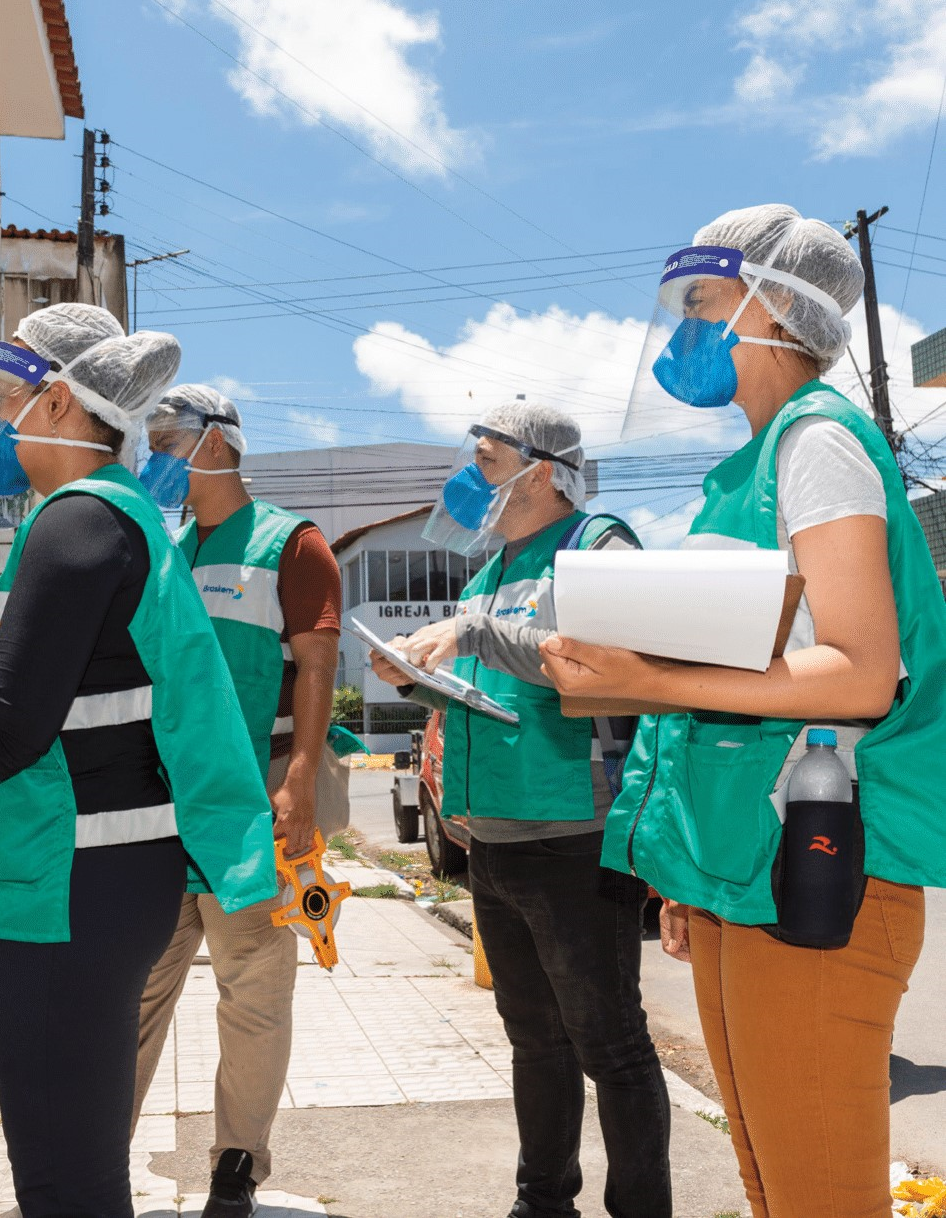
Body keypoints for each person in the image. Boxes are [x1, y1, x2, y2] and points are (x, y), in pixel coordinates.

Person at [541, 205, 946, 1218]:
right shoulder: (751, 467)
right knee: (774, 1182)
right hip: (745, 866)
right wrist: (683, 872)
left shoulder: (815, 440)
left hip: (819, 865)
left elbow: (858, 672)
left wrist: (640, 673)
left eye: (702, 303)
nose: (686, 330)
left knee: (816, 1191)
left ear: (771, 307)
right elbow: (734, 675)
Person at [0, 306, 277, 1218]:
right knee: (75, 1164)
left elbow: (12, 726)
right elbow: (68, 685)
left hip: (75, 884)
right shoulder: (111, 519)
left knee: (63, 1180)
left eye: (7, 398)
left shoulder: (74, 524)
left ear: (69, 404)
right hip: (111, 879)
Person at [370, 400, 672, 1218]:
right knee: (534, 1040)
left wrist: (471, 633)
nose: (472, 479)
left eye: (488, 460)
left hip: (573, 832)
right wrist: (418, 673)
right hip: (493, 836)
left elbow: (615, 668)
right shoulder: (487, 569)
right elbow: (492, 676)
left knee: (610, 1041)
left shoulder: (597, 543)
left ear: (541, 469)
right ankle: (543, 1202)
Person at [130, 383, 343, 1218]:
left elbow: (318, 667)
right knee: (138, 986)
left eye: (164, 441)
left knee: (253, 988)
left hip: (251, 809)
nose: (153, 457)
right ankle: (93, 1152)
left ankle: (235, 1166)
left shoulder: (293, 543)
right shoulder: (170, 550)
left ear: (213, 444)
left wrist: (298, 777)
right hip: (164, 808)